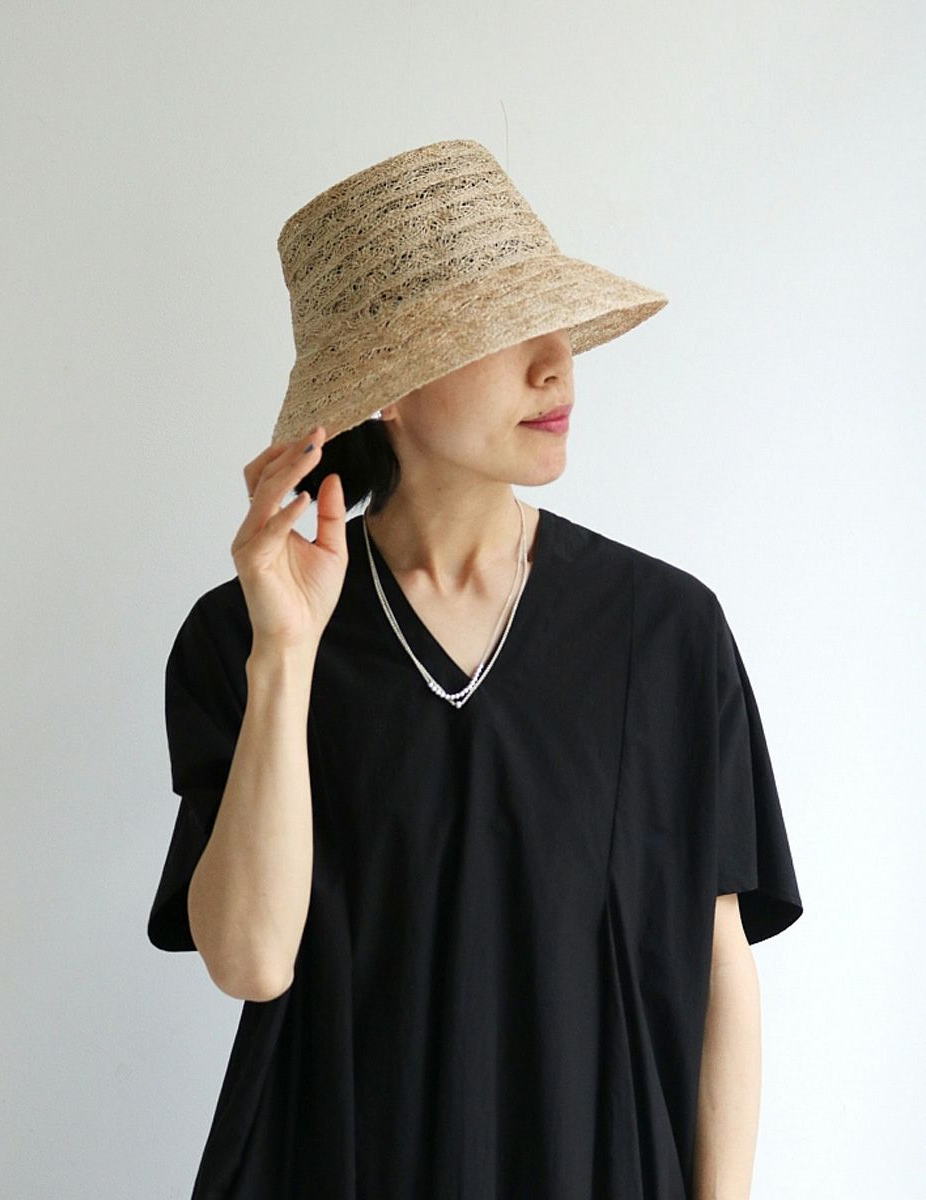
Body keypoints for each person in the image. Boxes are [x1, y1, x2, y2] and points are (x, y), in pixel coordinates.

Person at [147, 140, 803, 1199]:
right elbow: (252, 962)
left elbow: (718, 957)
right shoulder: (244, 636)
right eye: (501, 331)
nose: (556, 364)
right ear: (386, 390)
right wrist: (286, 656)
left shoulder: (665, 631)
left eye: (558, 324)